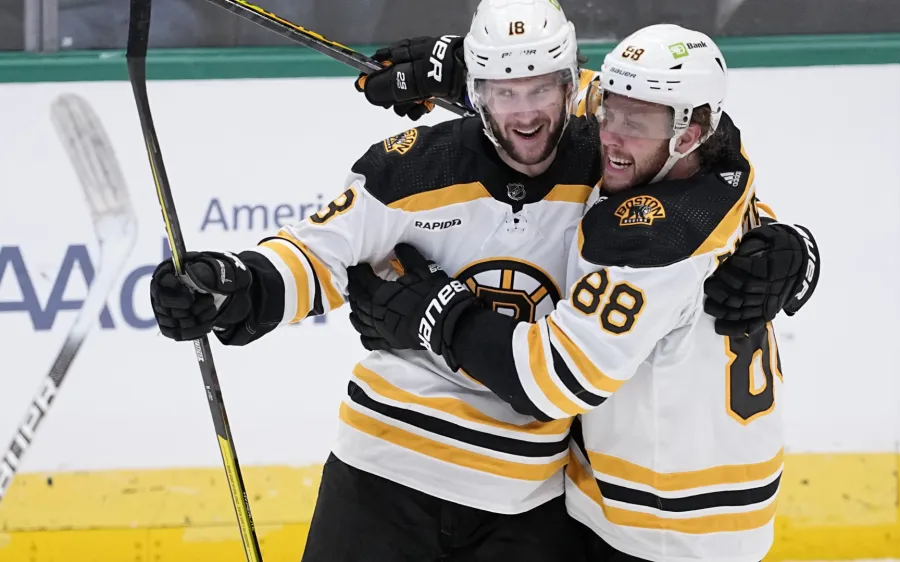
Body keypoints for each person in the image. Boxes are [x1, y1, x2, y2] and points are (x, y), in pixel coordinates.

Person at [149, 2, 816, 560]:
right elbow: (315, 254)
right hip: (385, 471)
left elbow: (695, 171)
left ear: (570, 87)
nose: (524, 115)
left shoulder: (611, 172)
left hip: (527, 502)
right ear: (473, 91)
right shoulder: (413, 167)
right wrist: (235, 285)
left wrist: (791, 250)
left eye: (540, 90)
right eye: (502, 92)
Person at [346, 23, 817, 562]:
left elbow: (553, 380)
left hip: (662, 523)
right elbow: (614, 99)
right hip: (700, 502)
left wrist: (431, 313)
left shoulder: (649, 239)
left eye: (633, 123)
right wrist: (476, 69)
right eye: (608, 114)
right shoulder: (721, 172)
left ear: (689, 134)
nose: (609, 134)